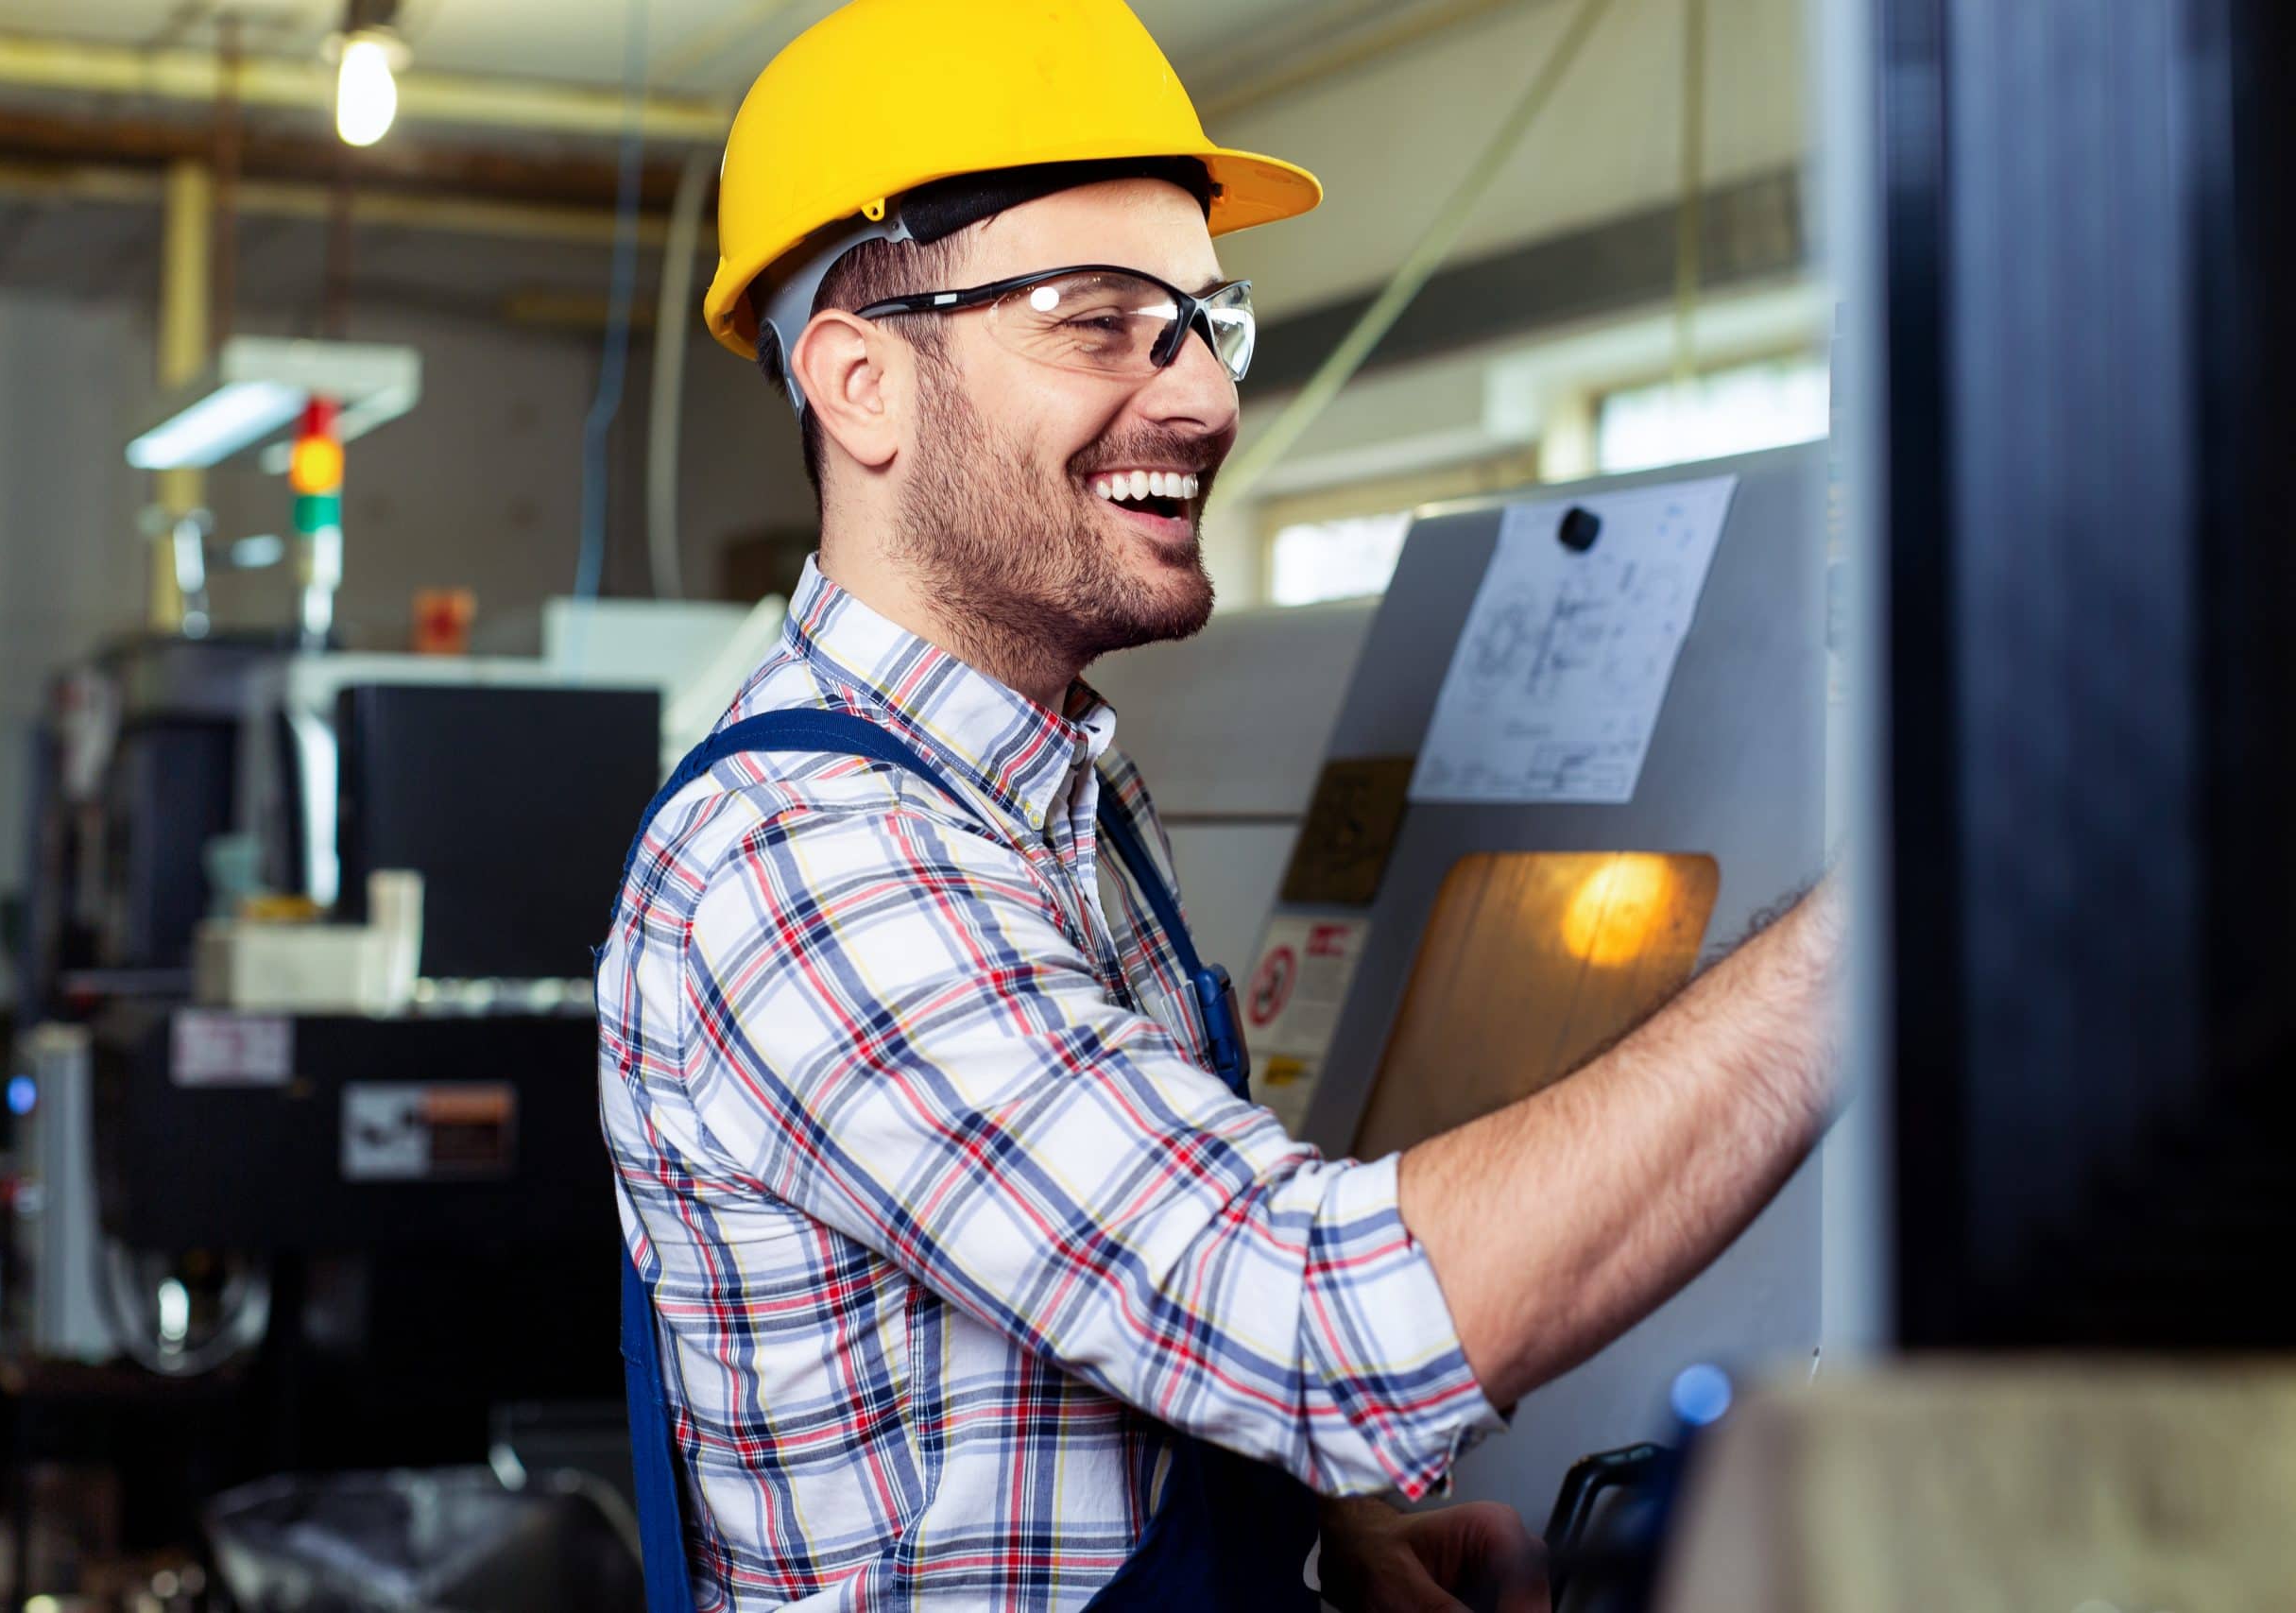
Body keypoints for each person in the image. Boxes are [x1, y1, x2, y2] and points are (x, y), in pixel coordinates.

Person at [595, 2, 1842, 1608]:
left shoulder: (1055, 794)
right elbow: (1315, 1316)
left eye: (1201, 320)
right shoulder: (814, 858)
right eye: (1098, 320)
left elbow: (1096, 1330)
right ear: (859, 386)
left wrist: (1324, 1539)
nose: (1200, 398)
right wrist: (1876, 936)